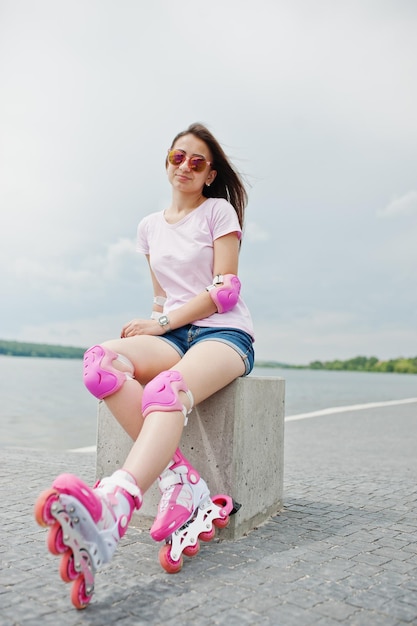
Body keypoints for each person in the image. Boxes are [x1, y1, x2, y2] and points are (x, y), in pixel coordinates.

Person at [34, 122, 255, 609]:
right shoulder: (149, 227)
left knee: (165, 393)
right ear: (167, 160)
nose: (186, 167)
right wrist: (154, 324)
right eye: (179, 157)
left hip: (224, 333)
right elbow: (161, 297)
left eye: (197, 162)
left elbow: (225, 291)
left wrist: (165, 323)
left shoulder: (217, 212)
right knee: (101, 364)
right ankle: (181, 479)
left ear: (210, 173)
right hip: (174, 333)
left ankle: (116, 504)